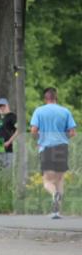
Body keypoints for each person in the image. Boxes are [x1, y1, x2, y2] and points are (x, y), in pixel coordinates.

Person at [30, 87, 77, 219]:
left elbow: (33, 130)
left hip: (47, 148)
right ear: (56, 98)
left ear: (45, 99)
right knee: (60, 180)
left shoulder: (39, 111)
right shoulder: (65, 111)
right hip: (62, 147)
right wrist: (62, 138)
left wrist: (39, 139)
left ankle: (54, 195)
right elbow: (72, 132)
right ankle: (56, 212)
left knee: (47, 181)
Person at [0, 98, 18, 168]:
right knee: (1, 169)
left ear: (7, 106)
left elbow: (19, 130)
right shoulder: (1, 119)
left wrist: (9, 142)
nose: (1, 108)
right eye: (0, 106)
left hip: (7, 148)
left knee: (8, 171)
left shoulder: (12, 116)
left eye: (3, 106)